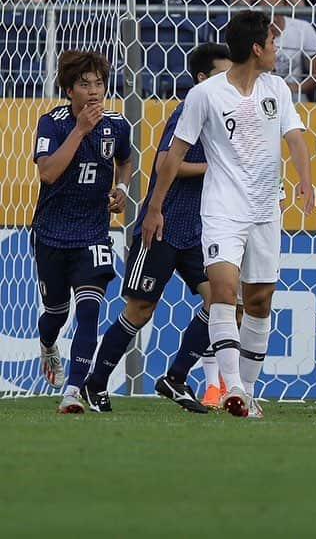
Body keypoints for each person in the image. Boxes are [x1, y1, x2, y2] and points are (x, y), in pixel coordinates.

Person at [142, 10, 316, 418]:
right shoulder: (205, 95)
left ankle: (248, 394)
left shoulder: (278, 89)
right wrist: (154, 207)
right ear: (257, 49)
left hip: (265, 209)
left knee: (259, 301)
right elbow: (175, 154)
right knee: (222, 291)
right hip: (222, 208)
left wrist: (306, 179)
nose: (277, 49)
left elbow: (295, 137)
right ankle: (232, 387)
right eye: (272, 43)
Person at [78, 43, 232, 414]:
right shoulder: (188, 111)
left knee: (223, 300)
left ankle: (176, 377)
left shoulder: (224, 115)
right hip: (162, 224)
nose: (230, 82)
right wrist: (215, 169)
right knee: (141, 309)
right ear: (201, 79)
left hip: (196, 230)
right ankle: (94, 384)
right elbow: (166, 163)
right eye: (222, 75)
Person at [32, 50, 132, 414]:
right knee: (56, 314)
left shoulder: (117, 125)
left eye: (99, 83)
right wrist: (80, 130)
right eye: (84, 84)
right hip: (52, 233)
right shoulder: (53, 124)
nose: (93, 91)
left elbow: (125, 160)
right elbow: (47, 173)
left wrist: (122, 189)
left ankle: (73, 390)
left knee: (90, 311)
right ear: (68, 89)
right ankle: (47, 344)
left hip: (93, 233)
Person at [257, 0, 316, 102]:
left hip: (294, 96)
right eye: (267, 9)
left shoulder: (303, 28)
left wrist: (293, 89)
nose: (272, 13)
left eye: (277, 7)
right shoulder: (252, 32)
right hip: (260, 95)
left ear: (286, 5)